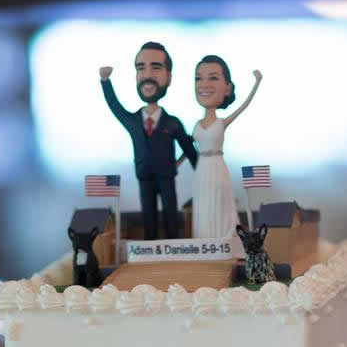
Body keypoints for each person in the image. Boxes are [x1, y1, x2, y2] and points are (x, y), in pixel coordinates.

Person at [99, 42, 198, 240]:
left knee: (171, 211)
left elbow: (189, 149)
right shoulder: (133, 121)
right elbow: (115, 106)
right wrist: (105, 81)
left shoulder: (173, 123)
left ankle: (173, 243)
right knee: (148, 213)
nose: (148, 74)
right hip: (144, 176)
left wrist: (202, 173)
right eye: (140, 68)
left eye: (156, 67)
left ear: (169, 77)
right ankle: (151, 244)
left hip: (166, 176)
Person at [187, 56, 262, 240]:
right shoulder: (197, 123)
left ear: (227, 88)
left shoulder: (222, 122)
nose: (204, 84)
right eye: (199, 78)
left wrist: (257, 82)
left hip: (217, 166)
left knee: (219, 202)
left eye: (213, 78)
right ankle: (203, 240)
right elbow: (187, 146)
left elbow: (243, 106)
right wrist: (176, 163)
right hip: (201, 168)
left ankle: (222, 238)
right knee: (203, 202)